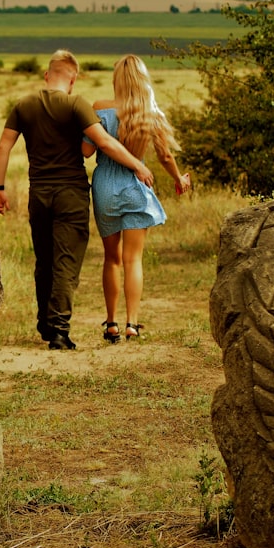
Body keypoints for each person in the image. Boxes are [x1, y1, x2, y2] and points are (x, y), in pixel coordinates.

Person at [0, 49, 154, 350]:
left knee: (44, 259)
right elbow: (103, 143)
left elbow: (3, 146)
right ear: (73, 78)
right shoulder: (76, 104)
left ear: (46, 74)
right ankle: (59, 331)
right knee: (66, 262)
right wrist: (138, 165)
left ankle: (45, 323)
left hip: (38, 193)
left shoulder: (24, 105)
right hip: (71, 194)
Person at [84, 54, 192, 343]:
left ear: (117, 80)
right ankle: (132, 323)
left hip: (105, 185)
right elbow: (165, 155)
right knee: (133, 260)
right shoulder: (149, 113)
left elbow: (86, 151)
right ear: (142, 80)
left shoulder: (99, 108)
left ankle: (111, 324)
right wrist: (178, 179)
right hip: (135, 186)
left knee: (111, 258)